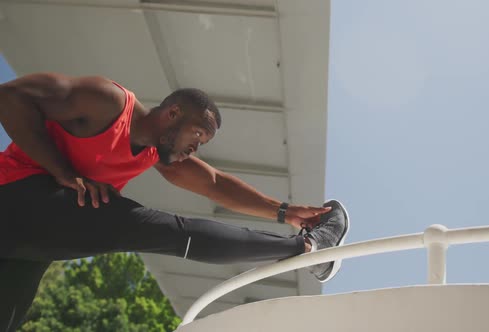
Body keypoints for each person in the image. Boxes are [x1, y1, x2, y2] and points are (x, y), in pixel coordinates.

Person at [0, 72, 350, 331]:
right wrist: (62, 171)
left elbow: (214, 183)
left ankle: (303, 246)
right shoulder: (107, 101)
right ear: (173, 113)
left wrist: (286, 212)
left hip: (24, 243)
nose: (195, 149)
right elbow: (11, 96)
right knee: (157, 229)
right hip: (13, 197)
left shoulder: (153, 155)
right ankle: (307, 249)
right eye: (197, 134)